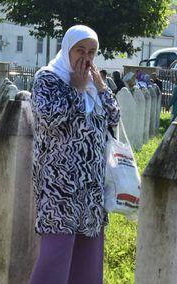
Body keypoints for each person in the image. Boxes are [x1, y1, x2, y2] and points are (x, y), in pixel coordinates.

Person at [30, 25, 120, 284]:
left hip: (91, 185)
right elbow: (50, 118)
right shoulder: (47, 78)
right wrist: (76, 90)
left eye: (91, 52)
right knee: (55, 255)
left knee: (87, 256)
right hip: (59, 185)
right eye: (80, 50)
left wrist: (101, 89)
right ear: (67, 49)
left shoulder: (93, 84)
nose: (86, 57)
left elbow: (113, 117)